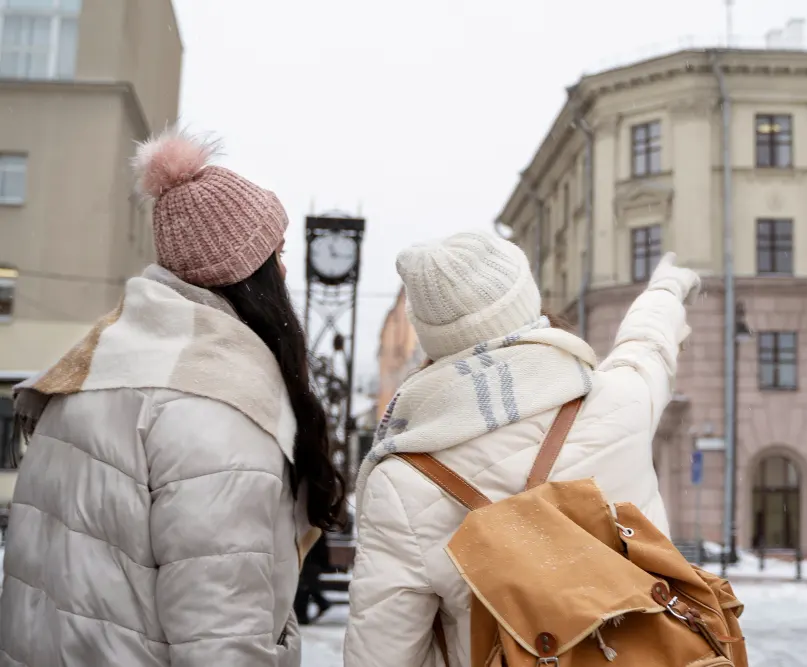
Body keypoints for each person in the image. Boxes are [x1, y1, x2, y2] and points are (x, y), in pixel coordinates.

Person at [0, 128, 344, 667]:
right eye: (276, 253)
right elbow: (221, 639)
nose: (283, 270)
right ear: (243, 272)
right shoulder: (215, 399)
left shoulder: (95, 369)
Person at [344, 232, 700, 667]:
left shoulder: (401, 481)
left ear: (433, 339)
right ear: (526, 303)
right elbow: (647, 345)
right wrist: (667, 288)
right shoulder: (621, 401)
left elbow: (382, 653)